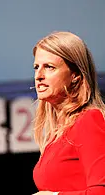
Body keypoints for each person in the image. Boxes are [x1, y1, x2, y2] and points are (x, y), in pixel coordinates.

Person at [31, 31, 105, 195]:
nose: (39, 76)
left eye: (49, 67)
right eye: (36, 67)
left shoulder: (89, 120)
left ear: (76, 76)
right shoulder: (56, 133)